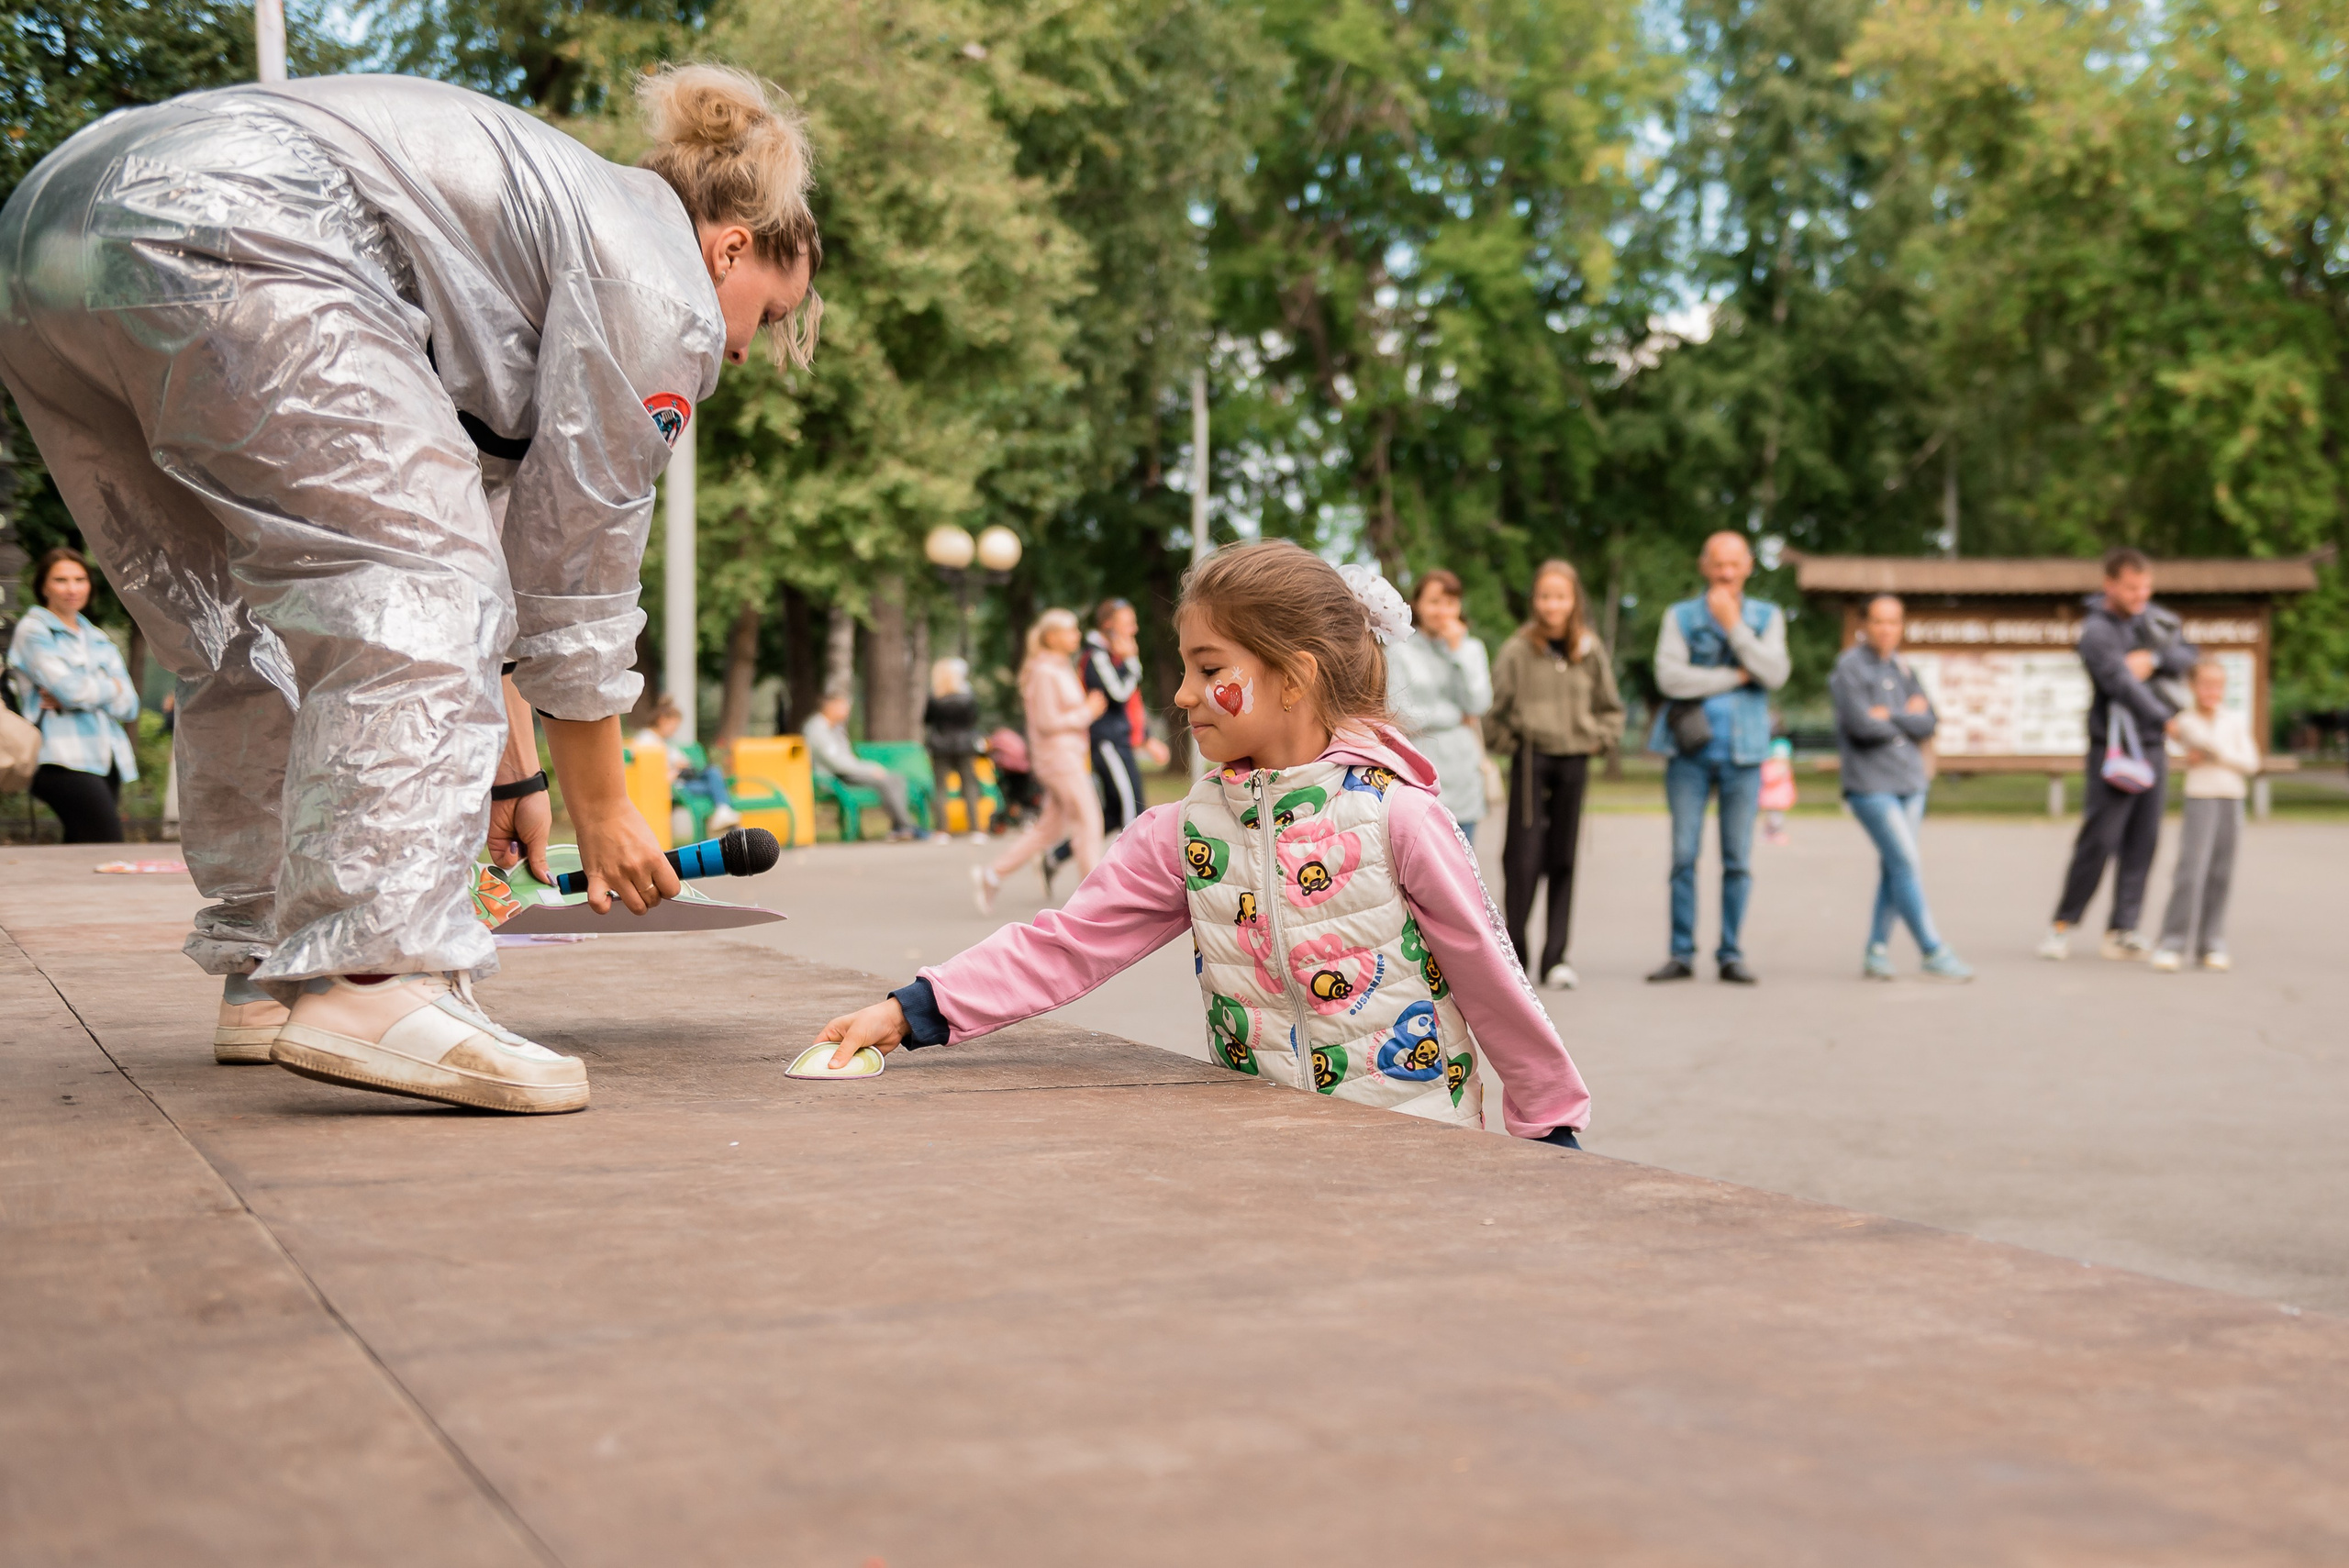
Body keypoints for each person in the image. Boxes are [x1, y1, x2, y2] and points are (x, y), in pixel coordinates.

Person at [0, 66, 819, 1107]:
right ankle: (372, 976)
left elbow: (496, 568)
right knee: (412, 585)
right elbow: (576, 567)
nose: (745, 349)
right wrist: (605, 806)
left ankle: (270, 959)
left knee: (240, 626)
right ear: (731, 247)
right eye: (770, 311)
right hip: (238, 213)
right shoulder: (657, 275)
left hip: (52, 236)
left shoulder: (535, 245)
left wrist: (514, 780)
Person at [811, 541, 1590, 1149]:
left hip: (1420, 1147)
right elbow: (1066, 945)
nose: (1183, 693)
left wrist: (1551, 1129)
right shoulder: (1185, 832)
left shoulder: (1400, 818)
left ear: (1295, 677)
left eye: (1208, 667)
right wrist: (912, 1010)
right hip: (1262, 1147)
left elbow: (1493, 981)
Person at [2038, 548, 2198, 961]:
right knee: (2100, 839)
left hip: (2151, 748)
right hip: (2112, 748)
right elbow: (2120, 684)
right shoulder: (2096, 631)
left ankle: (2123, 929)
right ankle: (2062, 925)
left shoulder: (2153, 619)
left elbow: (2188, 653)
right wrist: (2165, 719)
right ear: (2109, 585)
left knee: (2144, 839)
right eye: (2131, 588)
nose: (2141, 595)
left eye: (2146, 587)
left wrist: (2155, 658)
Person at [1647, 531, 1790, 984]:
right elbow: (1670, 679)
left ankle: (1731, 952)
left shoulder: (1767, 616)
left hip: (1744, 755)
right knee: (1683, 856)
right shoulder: (1680, 616)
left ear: (1748, 566)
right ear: (1704, 566)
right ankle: (1681, 953)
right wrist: (1738, 676)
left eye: (1734, 564)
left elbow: (1775, 673)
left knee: (1738, 859)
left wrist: (1734, 626)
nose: (1726, 573)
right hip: (1688, 753)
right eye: (1718, 564)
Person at [1484, 560, 1623, 989]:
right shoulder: (1517, 649)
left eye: (1561, 596)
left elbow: (1610, 707)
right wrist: (1513, 743)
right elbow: (1494, 711)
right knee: (1522, 860)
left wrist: (1599, 739)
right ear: (1535, 600)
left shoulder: (1589, 649)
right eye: (1545, 596)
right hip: (1531, 761)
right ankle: (1516, 957)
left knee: (1563, 858)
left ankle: (1556, 957)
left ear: (1573, 600)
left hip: (1574, 760)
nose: (1552, 605)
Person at [1831, 595, 1972, 982]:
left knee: (1895, 866)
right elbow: (1861, 726)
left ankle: (1876, 950)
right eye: (1878, 621)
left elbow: (1930, 721)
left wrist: (1892, 715)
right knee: (1906, 863)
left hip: (1910, 780)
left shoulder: (1903, 667)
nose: (1886, 629)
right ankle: (1932, 949)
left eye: (1893, 621)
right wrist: (1907, 717)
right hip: (1871, 784)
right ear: (1865, 624)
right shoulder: (1849, 667)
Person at [973, 610, 1106, 913]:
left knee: (1050, 828)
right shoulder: (1044, 672)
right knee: (1089, 820)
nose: (1076, 635)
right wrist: (1087, 712)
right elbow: (1047, 722)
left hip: (1067, 756)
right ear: (1051, 636)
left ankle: (992, 874)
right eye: (1070, 630)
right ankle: (1095, 897)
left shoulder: (1058, 667)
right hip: (1058, 759)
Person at [7, 548, 140, 842]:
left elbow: (130, 706)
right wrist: (110, 687)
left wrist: (83, 692)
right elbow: (71, 692)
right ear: (43, 586)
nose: (72, 588)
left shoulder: (97, 637)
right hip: (58, 757)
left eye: (80, 579)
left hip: (106, 757)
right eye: (61, 580)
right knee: (106, 843)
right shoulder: (35, 630)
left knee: (82, 847)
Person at [2152, 659, 2259, 973]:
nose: (2212, 691)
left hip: (2232, 798)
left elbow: (2251, 762)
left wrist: (2217, 755)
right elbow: (2178, 751)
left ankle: (2211, 943)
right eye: (2206, 684)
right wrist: (2194, 753)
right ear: (2193, 687)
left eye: (2218, 685)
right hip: (2200, 798)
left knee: (2221, 873)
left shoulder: (2233, 720)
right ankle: (2172, 942)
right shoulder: (2184, 721)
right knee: (2190, 872)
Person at [1386, 569, 1494, 843]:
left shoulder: (1472, 649)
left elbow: (1479, 704)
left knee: (1465, 858)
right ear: (1417, 605)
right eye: (1434, 602)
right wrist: (1455, 715)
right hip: (1420, 768)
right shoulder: (1399, 650)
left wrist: (1458, 652)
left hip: (1464, 770)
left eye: (1450, 602)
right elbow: (1398, 713)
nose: (1442, 610)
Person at [805, 693, 925, 841]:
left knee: (896, 778)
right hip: (832, 777)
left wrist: (869, 768)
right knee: (885, 781)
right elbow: (837, 763)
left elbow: (847, 758)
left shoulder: (836, 727)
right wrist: (870, 769)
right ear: (830, 707)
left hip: (845, 774)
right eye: (843, 706)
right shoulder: (817, 729)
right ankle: (906, 826)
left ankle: (900, 827)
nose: (847, 711)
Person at [630, 696, 740, 833]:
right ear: (662, 720)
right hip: (673, 787)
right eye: (674, 726)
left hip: (683, 782)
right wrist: (675, 770)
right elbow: (649, 773)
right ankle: (725, 815)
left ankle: (724, 813)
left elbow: (682, 761)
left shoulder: (665, 742)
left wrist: (682, 766)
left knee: (713, 773)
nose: (674, 731)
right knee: (718, 786)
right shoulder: (645, 741)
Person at [923, 657, 986, 840]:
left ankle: (942, 830)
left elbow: (927, 720)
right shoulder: (967, 698)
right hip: (965, 746)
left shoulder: (935, 698)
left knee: (940, 788)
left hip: (940, 746)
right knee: (969, 786)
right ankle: (976, 829)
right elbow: (974, 720)